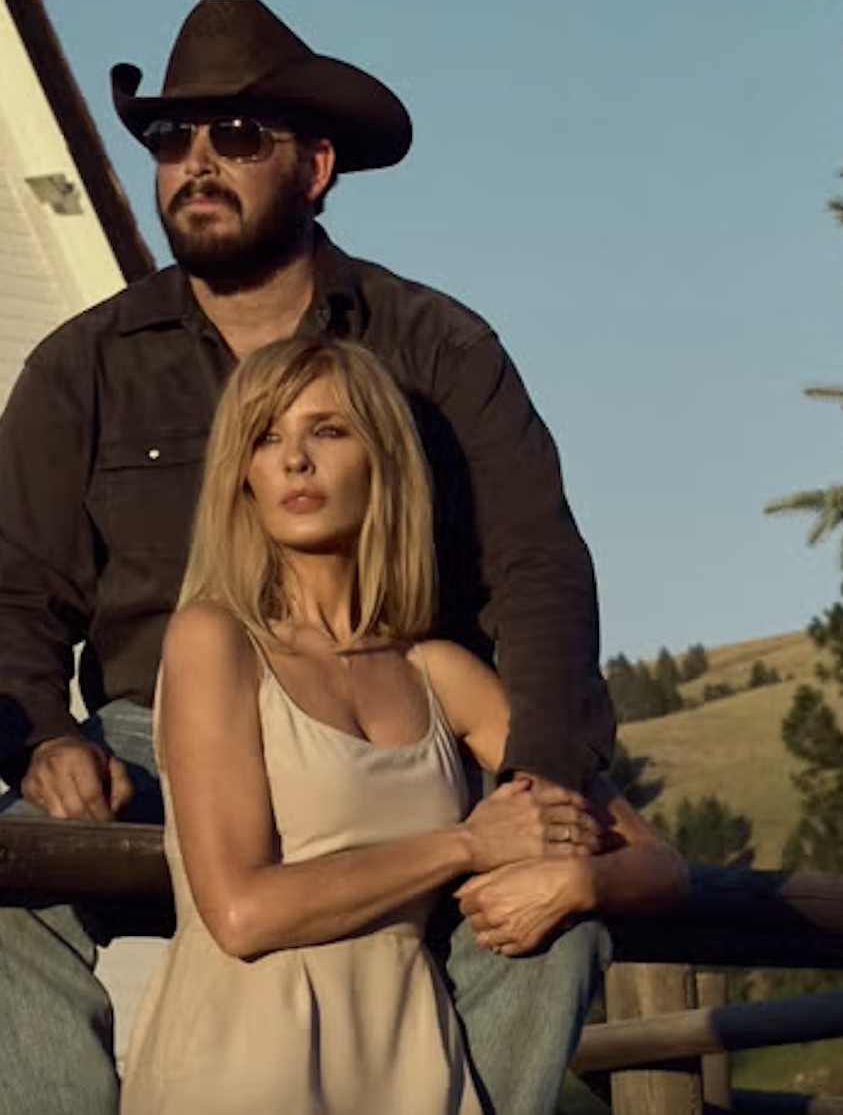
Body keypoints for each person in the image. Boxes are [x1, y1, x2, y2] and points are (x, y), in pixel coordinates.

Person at [0, 0, 623, 1115]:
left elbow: (539, 568)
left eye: (235, 138)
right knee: (6, 886)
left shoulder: (437, 348)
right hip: (158, 733)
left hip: (394, 724)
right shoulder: (81, 368)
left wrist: (541, 770)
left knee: (554, 912)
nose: (195, 164)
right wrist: (42, 735)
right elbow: (7, 591)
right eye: (172, 140)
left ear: (313, 166)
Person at [122, 337, 685, 1114]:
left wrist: (577, 881)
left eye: (328, 430)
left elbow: (662, 865)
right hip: (243, 1059)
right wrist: (467, 844)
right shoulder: (215, 640)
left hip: (414, 1063)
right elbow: (242, 913)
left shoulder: (439, 673)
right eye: (267, 437)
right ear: (241, 477)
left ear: (380, 458)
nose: (294, 461)